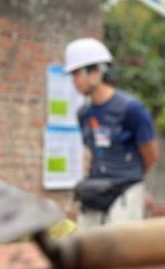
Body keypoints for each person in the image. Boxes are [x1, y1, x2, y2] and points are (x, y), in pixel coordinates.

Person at [64, 38, 158, 228]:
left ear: (97, 71)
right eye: (72, 75)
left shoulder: (131, 109)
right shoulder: (84, 114)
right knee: (86, 248)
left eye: (77, 74)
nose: (74, 81)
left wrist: (134, 182)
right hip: (95, 190)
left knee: (121, 249)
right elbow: (93, 153)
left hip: (125, 190)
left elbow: (151, 155)